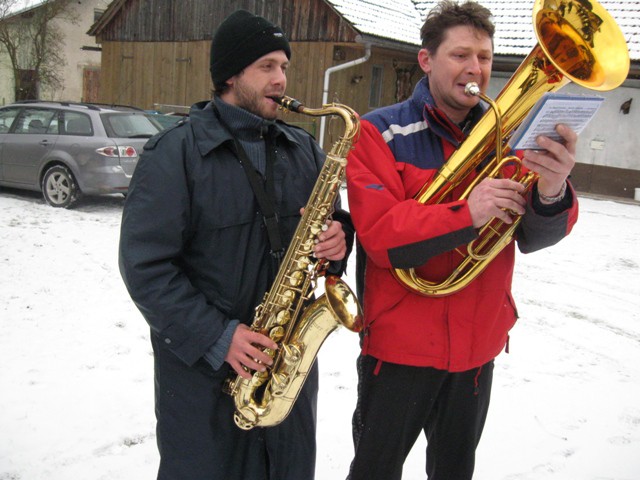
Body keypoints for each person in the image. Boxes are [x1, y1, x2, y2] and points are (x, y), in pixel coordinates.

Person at [344, 1, 579, 479]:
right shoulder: (379, 132)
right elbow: (380, 236)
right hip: (398, 350)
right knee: (374, 469)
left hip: (476, 349)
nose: (476, 69)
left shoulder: (513, 138)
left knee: (455, 471)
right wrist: (466, 213)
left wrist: (552, 190)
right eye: (461, 55)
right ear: (427, 60)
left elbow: (535, 237)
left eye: (486, 58)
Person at [118, 10, 353, 480]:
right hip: (203, 380)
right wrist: (218, 337)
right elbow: (145, 267)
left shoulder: (303, 148)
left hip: (286, 376)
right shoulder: (175, 154)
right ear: (230, 74)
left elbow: (332, 225)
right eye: (267, 66)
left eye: (284, 66)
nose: (281, 79)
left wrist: (339, 240)